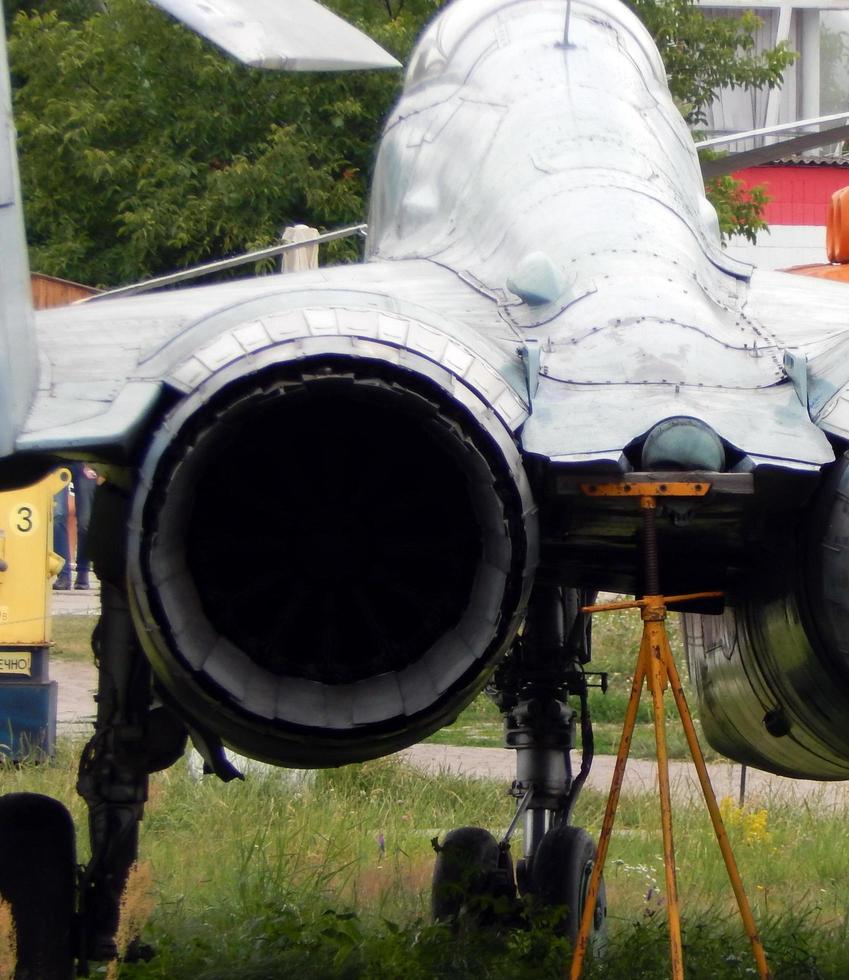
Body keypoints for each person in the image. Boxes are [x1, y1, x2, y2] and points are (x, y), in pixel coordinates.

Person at [53, 463, 97, 590]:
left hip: (83, 459)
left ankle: (83, 571)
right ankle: (64, 574)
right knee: (58, 515)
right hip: (57, 460)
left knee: (86, 523)